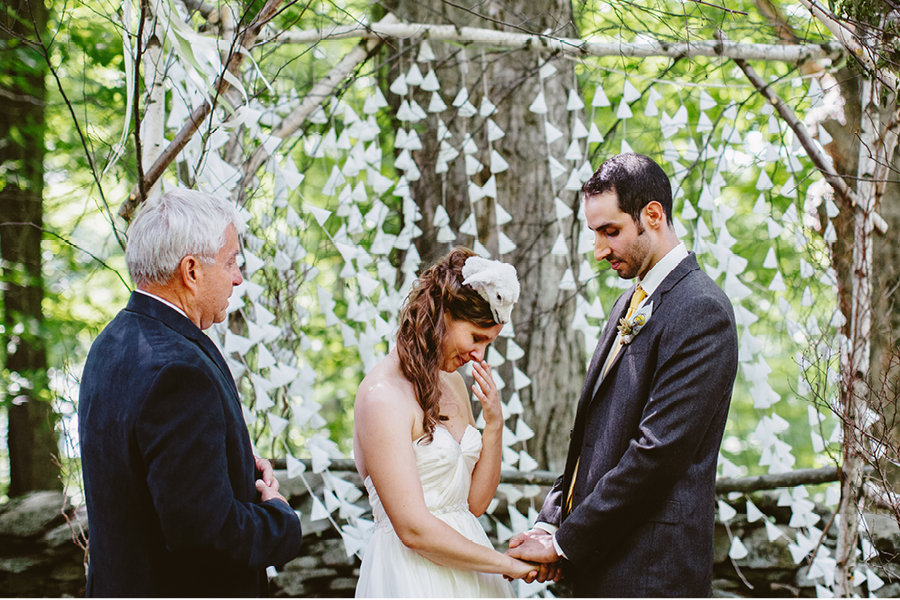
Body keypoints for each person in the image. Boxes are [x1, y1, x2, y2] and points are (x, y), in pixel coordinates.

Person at [508, 153, 739, 597]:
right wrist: (550, 523)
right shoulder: (626, 304)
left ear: (652, 215)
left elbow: (657, 454)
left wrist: (564, 543)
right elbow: (592, 438)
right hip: (601, 567)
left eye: (610, 231)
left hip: (650, 574)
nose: (599, 250)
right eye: (595, 233)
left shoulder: (702, 310)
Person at [78, 188, 303, 596]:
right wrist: (280, 519)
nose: (238, 277)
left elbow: (143, 470)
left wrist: (234, 465)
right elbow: (204, 535)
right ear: (192, 271)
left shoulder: (111, 342)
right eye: (231, 261)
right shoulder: (178, 372)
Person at [353, 247, 537, 597]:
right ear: (443, 315)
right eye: (477, 338)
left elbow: (473, 504)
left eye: (489, 343)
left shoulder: (452, 383)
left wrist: (494, 425)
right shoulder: (381, 396)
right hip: (412, 574)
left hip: (471, 573)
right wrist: (506, 564)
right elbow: (413, 529)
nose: (479, 355)